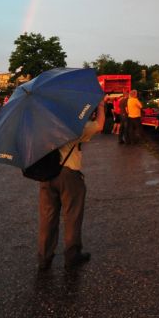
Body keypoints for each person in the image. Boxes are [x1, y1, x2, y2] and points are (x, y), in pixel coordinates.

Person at [38, 103, 104, 272]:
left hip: (46, 175)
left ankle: (44, 257)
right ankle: (72, 256)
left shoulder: (42, 126)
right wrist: (101, 105)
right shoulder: (73, 126)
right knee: (72, 215)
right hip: (69, 174)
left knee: (47, 217)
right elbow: (100, 125)